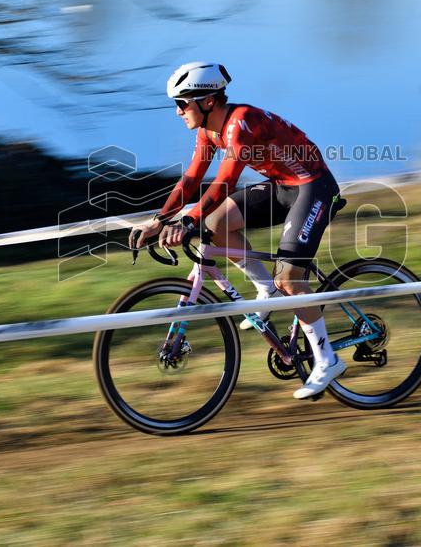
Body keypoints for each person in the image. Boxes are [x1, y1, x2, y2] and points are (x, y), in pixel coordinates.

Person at [129, 61, 345, 399]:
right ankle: (266, 290)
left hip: (313, 187)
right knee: (216, 225)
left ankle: (327, 359)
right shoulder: (208, 131)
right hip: (281, 184)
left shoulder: (240, 123)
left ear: (208, 101)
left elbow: (226, 181)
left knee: (290, 278)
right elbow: (191, 180)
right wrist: (160, 219)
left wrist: (188, 221)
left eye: (182, 103)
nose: (177, 112)